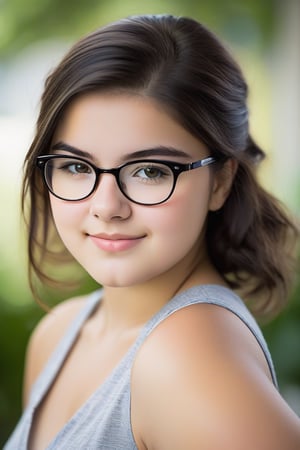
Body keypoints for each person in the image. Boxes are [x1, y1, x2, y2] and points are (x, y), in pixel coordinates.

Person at [4, 14, 300, 450]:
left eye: (148, 171)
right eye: (76, 166)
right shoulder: (59, 334)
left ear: (220, 181)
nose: (106, 207)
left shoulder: (189, 360)